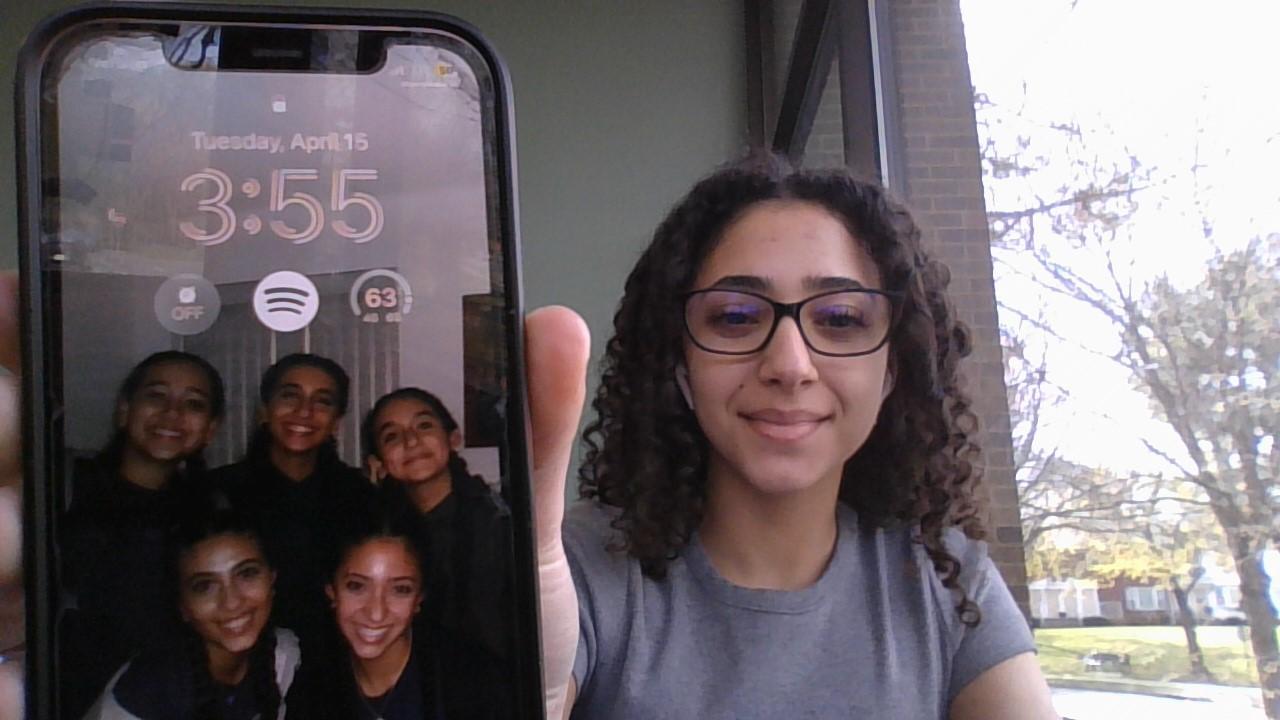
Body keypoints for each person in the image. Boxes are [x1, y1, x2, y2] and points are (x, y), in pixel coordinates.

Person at [556, 157, 1058, 719]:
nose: (790, 365)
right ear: (679, 363)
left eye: (840, 318)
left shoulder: (944, 579)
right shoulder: (576, 569)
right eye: (736, 316)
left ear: (892, 369)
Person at [60, 351, 225, 719]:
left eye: (193, 404)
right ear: (124, 410)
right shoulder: (60, 487)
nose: (172, 413)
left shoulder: (209, 515)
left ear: (210, 430)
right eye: (156, 396)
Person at [285, 493, 509, 719]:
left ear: (420, 597)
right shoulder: (312, 691)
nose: (376, 613)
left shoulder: (473, 683)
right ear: (331, 589)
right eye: (356, 586)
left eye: (400, 589)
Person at [83, 499, 300, 720]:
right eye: (204, 586)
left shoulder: (283, 656)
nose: (232, 602)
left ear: (272, 579)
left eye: (247, 573)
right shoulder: (144, 692)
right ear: (183, 606)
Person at [210, 354, 372, 644]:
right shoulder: (219, 491)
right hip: (241, 652)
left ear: (336, 422)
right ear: (264, 410)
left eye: (322, 401)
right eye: (290, 396)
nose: (304, 411)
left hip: (341, 654)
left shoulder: (360, 495)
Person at [361, 388, 513, 660]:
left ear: (453, 439)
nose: (411, 440)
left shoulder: (496, 522)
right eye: (392, 436)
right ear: (378, 463)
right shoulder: (378, 534)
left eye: (424, 425)